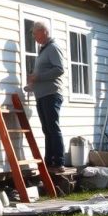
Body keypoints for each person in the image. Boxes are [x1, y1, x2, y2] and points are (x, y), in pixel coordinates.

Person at [25, 20, 68, 173]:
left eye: (35, 34)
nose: (34, 37)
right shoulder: (43, 50)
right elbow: (41, 75)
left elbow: (59, 69)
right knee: (47, 129)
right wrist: (31, 85)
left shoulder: (53, 48)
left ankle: (59, 161)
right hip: (42, 94)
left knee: (53, 127)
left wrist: (38, 78)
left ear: (44, 32)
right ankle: (49, 161)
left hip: (51, 94)